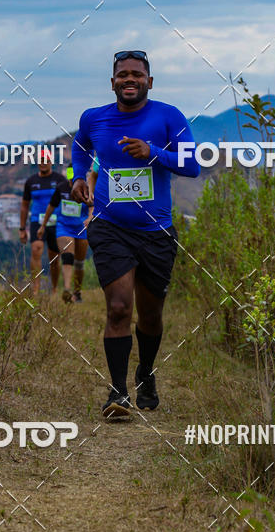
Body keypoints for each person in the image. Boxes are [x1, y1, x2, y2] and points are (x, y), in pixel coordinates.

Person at [70, 50, 200, 419]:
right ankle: (117, 392)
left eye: (137, 75)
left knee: (150, 316)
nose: (130, 80)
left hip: (156, 232)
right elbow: (81, 147)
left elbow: (192, 166)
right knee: (118, 307)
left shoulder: (168, 116)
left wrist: (153, 152)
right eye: (123, 75)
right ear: (112, 82)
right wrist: (79, 177)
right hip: (111, 228)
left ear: (149, 82)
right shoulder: (94, 118)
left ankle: (145, 372)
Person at [37, 164, 93, 303]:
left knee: (79, 263)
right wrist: (43, 226)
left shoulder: (86, 189)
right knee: (67, 256)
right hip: (64, 227)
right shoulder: (61, 188)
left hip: (81, 229)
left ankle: (77, 292)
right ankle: (67, 290)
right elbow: (51, 207)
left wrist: (89, 218)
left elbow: (92, 206)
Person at [19, 152, 64, 296]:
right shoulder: (31, 181)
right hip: (36, 222)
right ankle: (36, 288)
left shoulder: (59, 179)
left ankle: (55, 288)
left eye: (47, 160)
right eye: (41, 160)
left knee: (54, 257)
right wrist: (22, 228)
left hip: (56, 222)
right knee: (36, 249)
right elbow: (25, 205)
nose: (44, 163)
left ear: (52, 162)